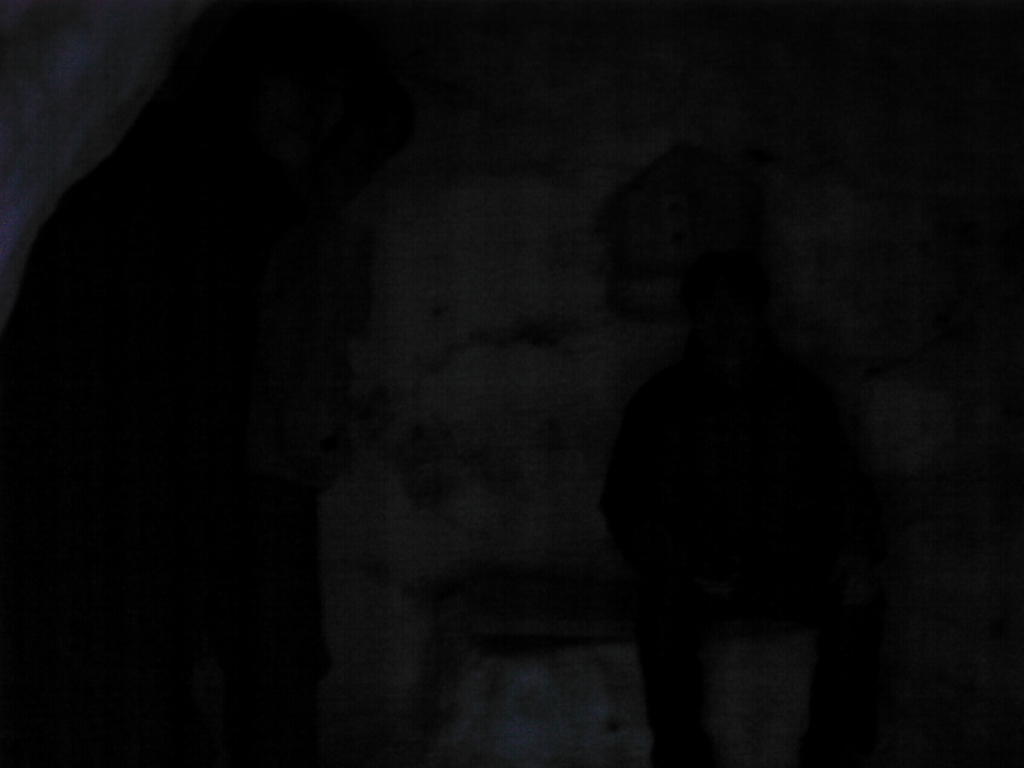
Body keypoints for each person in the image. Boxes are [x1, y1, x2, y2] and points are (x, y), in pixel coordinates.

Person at [0, 3, 413, 767]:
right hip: (114, 490)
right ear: (244, 78)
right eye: (299, 82)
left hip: (178, 495)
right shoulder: (183, 183)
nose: (314, 111)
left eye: (334, 95)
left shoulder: (264, 210)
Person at [601, 250, 886, 768]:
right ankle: (682, 753)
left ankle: (834, 751)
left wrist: (856, 550)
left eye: (737, 305)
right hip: (696, 572)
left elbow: (844, 482)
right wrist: (682, 560)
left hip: (789, 569)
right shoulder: (660, 401)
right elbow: (625, 500)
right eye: (709, 306)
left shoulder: (801, 396)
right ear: (693, 315)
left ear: (759, 312)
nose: (724, 321)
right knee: (660, 609)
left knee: (860, 603)